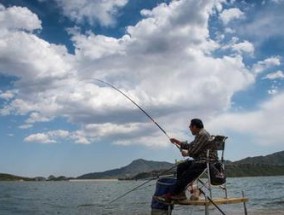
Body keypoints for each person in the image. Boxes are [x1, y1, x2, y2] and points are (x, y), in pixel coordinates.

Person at [159, 118, 218, 201]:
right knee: (181, 166)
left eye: (190, 126)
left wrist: (186, 153)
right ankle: (180, 193)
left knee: (185, 176)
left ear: (195, 127)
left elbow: (194, 151)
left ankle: (173, 193)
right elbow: (190, 145)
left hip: (205, 161)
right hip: (200, 160)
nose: (189, 128)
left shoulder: (203, 134)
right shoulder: (200, 134)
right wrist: (177, 141)